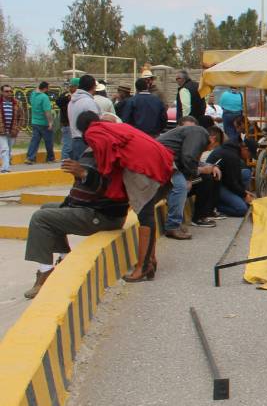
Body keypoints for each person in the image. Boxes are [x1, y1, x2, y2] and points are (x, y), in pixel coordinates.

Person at [22, 115, 130, 299]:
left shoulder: (110, 151)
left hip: (102, 215)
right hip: (94, 209)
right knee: (47, 209)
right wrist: (80, 176)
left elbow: (109, 187)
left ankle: (45, 273)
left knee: (41, 219)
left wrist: (84, 173)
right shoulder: (98, 148)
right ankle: (65, 260)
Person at [75, 111, 175, 282]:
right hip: (159, 158)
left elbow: (106, 149)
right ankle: (150, 260)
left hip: (141, 166)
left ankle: (143, 267)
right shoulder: (113, 126)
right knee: (147, 212)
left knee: (145, 214)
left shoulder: (93, 132)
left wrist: (101, 172)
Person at [157, 118, 223, 240]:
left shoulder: (196, 134)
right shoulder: (200, 134)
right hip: (162, 156)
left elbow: (189, 158)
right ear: (212, 139)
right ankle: (172, 226)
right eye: (212, 147)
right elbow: (188, 157)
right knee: (181, 186)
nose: (209, 150)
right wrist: (189, 177)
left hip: (166, 158)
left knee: (177, 186)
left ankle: (174, 223)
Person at [207, 133, 254, 217]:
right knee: (242, 209)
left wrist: (243, 191)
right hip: (214, 185)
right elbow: (231, 183)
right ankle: (213, 206)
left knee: (246, 172)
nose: (248, 158)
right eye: (250, 155)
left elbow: (235, 177)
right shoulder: (231, 156)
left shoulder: (234, 150)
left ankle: (235, 199)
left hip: (223, 180)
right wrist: (244, 195)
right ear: (245, 149)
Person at [67, 75, 101, 161]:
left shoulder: (72, 101)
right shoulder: (89, 102)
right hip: (86, 143)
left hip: (74, 141)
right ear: (93, 87)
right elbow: (95, 124)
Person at [26, 81, 55, 164]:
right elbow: (47, 111)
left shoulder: (33, 94)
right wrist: (50, 122)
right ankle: (50, 158)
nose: (49, 89)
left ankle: (30, 158)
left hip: (35, 122)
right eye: (48, 88)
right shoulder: (44, 97)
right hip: (44, 123)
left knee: (34, 141)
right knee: (49, 141)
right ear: (45, 88)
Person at [0, 84, 26, 173]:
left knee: (8, 150)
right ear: (2, 92)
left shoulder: (17, 103)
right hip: (1, 132)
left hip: (12, 132)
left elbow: (22, 117)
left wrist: (17, 129)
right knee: (5, 149)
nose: (9, 93)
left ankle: (6, 163)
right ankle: (5, 168)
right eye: (6, 91)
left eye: (10, 91)